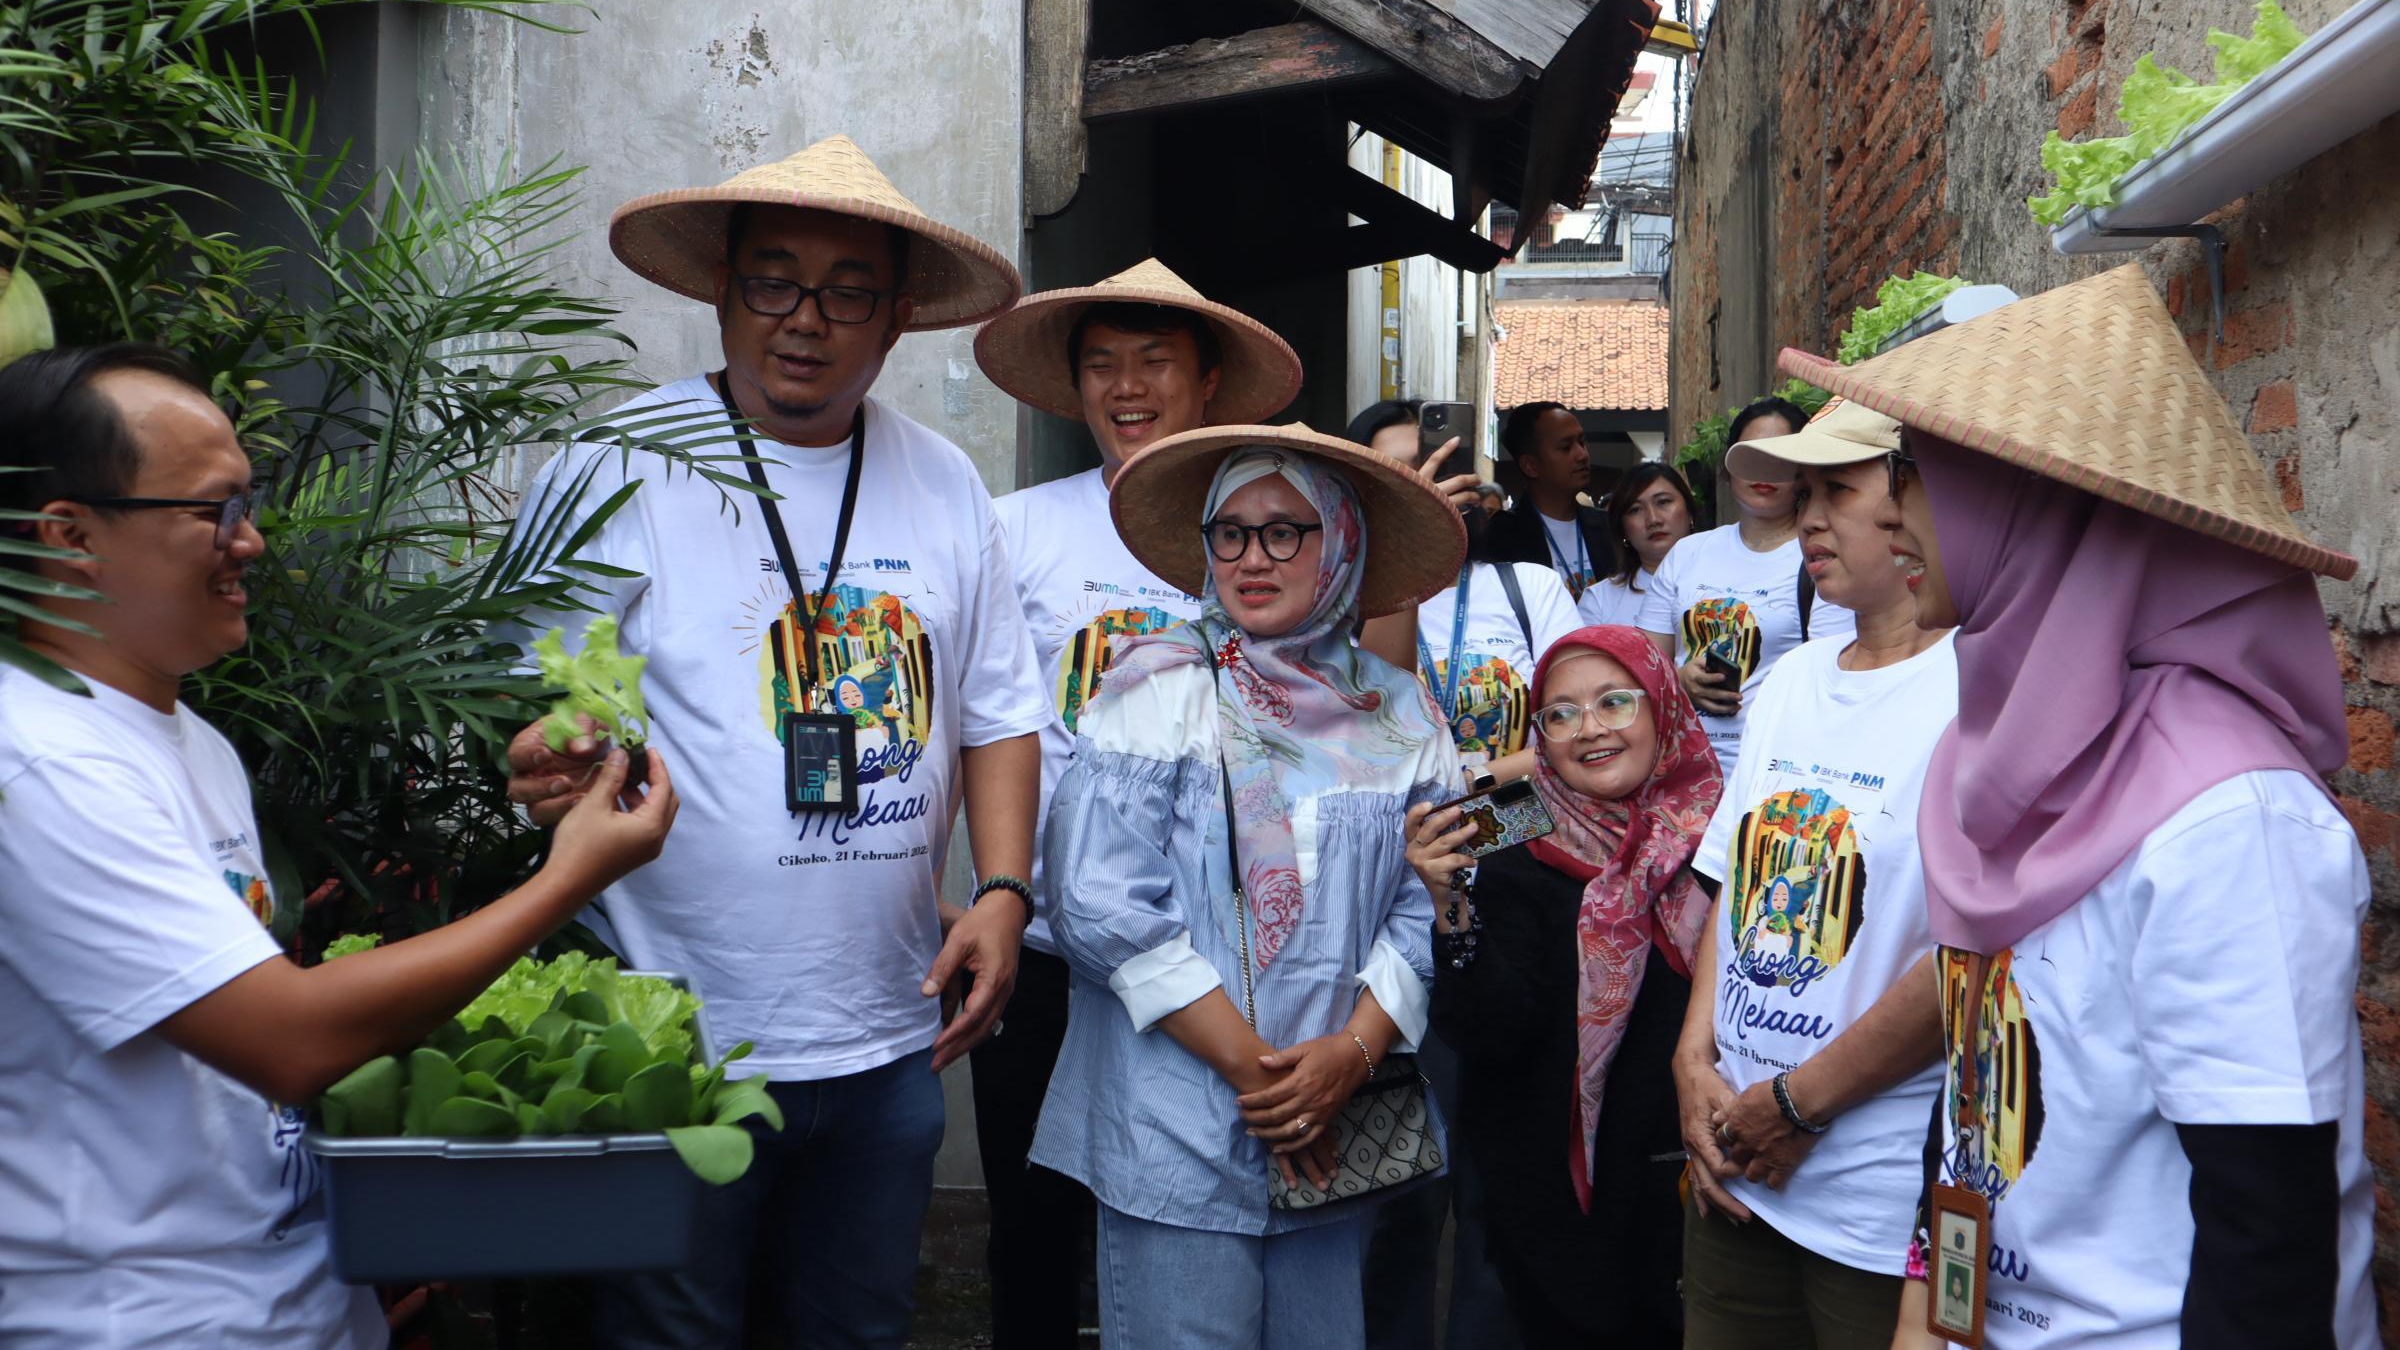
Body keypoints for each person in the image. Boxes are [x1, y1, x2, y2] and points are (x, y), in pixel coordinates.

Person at [0, 344, 677, 1349]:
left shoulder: (187, 741)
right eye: (213, 510)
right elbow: (290, 1037)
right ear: (70, 536)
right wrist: (568, 877)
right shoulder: (39, 765)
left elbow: (224, 1049)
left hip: (282, 1296)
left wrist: (367, 1218)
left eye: (250, 502)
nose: (253, 542)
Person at [495, 135, 1050, 1349]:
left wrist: (1002, 891)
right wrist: (553, 748)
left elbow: (1001, 712)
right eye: (773, 282)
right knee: (669, 1335)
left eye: (849, 291)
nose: (806, 320)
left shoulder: (945, 483)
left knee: (857, 1329)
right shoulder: (616, 464)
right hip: (673, 1035)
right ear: (723, 291)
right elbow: (536, 700)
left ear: (898, 318)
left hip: (886, 1037)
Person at [1777, 265, 2376, 1348]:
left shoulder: (2229, 815)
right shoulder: (2005, 760)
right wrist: (1931, 1312)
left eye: (1914, 475)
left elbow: (2268, 1231)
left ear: (2024, 502)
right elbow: (1978, 1077)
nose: (1891, 513)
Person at [1031, 423, 1465, 1349]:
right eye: (1229, 531)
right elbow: (1097, 900)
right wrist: (1265, 1084)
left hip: (1335, 1129)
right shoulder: (1156, 687)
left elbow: (1431, 898)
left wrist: (1346, 1058)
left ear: (1340, 542)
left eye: (1284, 531)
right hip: (1176, 1120)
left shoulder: (1401, 714)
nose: (1251, 557)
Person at [970, 257, 1303, 1348]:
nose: (1127, 387)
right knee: (1032, 1213)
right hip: (1052, 944)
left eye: (1153, 361)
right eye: (1102, 364)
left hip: (1210, 960)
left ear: (1207, 380)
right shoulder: (1016, 528)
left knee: (1187, 1208)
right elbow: (980, 723)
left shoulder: (1258, 531)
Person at [1670, 398, 1952, 1348]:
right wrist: (1693, 1058)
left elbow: (1977, 956)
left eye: (1839, 489)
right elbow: (1738, 883)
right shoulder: (1789, 682)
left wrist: (1800, 1104)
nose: (1809, 516)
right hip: (1737, 1160)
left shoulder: (1975, 690)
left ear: (1915, 504)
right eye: (1804, 491)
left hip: (1875, 1195)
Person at [1403, 626, 1723, 1345]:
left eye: (1616, 702)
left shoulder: (1726, 831)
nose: (1591, 730)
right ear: (1539, 735)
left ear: (1663, 706)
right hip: (1555, 1207)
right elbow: (1486, 1029)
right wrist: (1450, 904)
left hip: (1704, 1185)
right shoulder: (1514, 836)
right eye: (1562, 713)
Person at [1347, 398, 1583, 1350]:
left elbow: (1574, 746)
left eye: (1437, 469)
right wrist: (1400, 555)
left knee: (1503, 1181)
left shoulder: (1530, 589)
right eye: (1399, 476)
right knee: (1400, 1187)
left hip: (1516, 908)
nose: (1429, 488)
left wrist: (1460, 786)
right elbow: (1372, 724)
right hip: (1388, 917)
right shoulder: (1340, 598)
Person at [1637, 397, 1853, 780]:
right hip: (1680, 771)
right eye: (1751, 455)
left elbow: (1829, 677)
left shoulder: (1820, 556)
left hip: (1771, 767)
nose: (1763, 470)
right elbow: (1642, 665)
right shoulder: (1688, 554)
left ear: (1805, 470)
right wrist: (1680, 678)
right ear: (1727, 468)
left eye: (1780, 457)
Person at [1486, 401, 1614, 621]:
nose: (1582, 455)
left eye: (1582, 442)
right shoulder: (1500, 537)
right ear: (1530, 466)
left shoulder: (1610, 526)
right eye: (1566, 447)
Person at [1583, 461, 1700, 628]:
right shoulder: (1599, 601)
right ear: (1622, 529)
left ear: (1689, 510)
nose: (1653, 519)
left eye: (1663, 502)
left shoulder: (1725, 577)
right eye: (1635, 510)